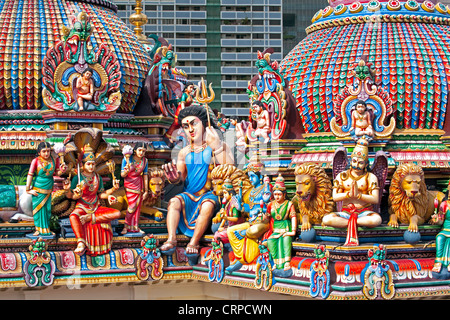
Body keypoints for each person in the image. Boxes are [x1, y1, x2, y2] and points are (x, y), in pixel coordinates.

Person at [161, 105, 234, 254]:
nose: (191, 129)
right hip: (189, 194)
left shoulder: (218, 146)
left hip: (209, 194)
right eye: (186, 126)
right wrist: (175, 179)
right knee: (174, 202)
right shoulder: (184, 152)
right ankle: (171, 239)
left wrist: (217, 147)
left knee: (207, 206)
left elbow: (230, 167)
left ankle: (194, 242)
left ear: (204, 124)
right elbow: (181, 177)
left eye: (194, 123)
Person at [64, 144, 121, 256]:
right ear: (83, 165)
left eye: (93, 164)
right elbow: (71, 197)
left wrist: (112, 191)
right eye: (88, 164)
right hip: (82, 206)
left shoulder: (97, 177)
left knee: (117, 213)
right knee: (73, 216)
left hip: (96, 207)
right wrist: (69, 191)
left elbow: (101, 195)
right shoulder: (78, 178)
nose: (91, 166)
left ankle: (91, 218)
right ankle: (81, 242)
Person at [322, 137, 382, 246]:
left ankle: (352, 223)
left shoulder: (370, 177)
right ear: (350, 161)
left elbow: (375, 199)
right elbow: (335, 197)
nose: (356, 165)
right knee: (327, 218)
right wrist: (348, 194)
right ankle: (352, 222)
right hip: (346, 213)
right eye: (354, 161)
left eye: (360, 163)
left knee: (376, 220)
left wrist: (359, 195)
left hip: (364, 213)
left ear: (366, 164)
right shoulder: (342, 176)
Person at [25, 142, 68, 237]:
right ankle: (38, 229)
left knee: (47, 210)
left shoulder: (54, 160)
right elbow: (30, 174)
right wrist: (28, 189)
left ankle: (47, 229)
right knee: (38, 210)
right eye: (44, 151)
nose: (46, 153)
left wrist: (62, 170)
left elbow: (57, 173)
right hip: (38, 188)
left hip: (48, 189)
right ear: (39, 152)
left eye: (48, 151)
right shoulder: (35, 161)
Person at [265, 175, 297, 271]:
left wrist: (293, 231)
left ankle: (287, 262)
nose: (277, 197)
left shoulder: (289, 204)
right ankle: (276, 262)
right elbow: (267, 218)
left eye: (279, 194)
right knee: (271, 241)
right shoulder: (271, 204)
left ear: (284, 194)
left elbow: (293, 217)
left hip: (286, 228)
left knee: (285, 240)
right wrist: (263, 216)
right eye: (275, 194)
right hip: (276, 229)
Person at [121, 142, 149, 235]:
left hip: (139, 185)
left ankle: (135, 227)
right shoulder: (127, 158)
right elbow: (122, 175)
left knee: (138, 207)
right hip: (129, 184)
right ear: (135, 150)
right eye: (140, 150)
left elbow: (145, 176)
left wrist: (146, 190)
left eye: (143, 151)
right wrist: (126, 170)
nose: (141, 153)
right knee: (132, 207)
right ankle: (126, 226)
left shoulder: (145, 161)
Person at [213, 179, 245, 245]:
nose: (224, 195)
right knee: (216, 233)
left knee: (217, 236)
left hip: (236, 228)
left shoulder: (234, 204)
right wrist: (221, 227)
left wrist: (226, 218)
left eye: (225, 193)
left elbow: (236, 219)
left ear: (230, 193)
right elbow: (225, 217)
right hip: (229, 227)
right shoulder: (228, 204)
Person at [431, 189, 450, 273]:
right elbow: (441, 220)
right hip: (445, 230)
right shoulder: (444, 204)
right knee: (439, 237)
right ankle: (438, 262)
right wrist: (436, 220)